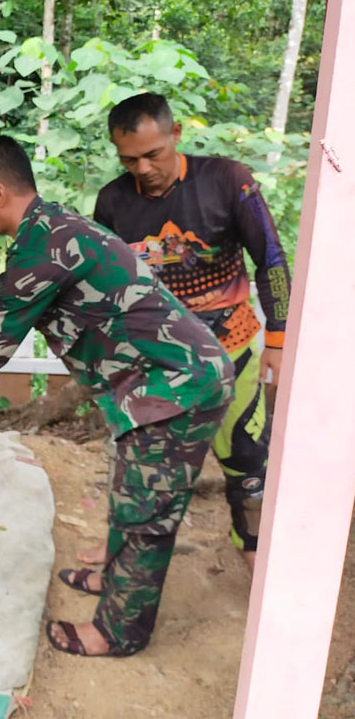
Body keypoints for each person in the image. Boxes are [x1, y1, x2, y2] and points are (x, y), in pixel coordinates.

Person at [0, 136, 235, 657]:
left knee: (147, 513)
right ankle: (115, 581)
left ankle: (117, 633)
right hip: (156, 383)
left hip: (177, 386)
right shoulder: (50, 229)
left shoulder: (46, 247)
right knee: (133, 490)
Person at [92, 92, 291, 572]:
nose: (142, 168)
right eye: (129, 159)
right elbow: (103, 285)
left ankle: (253, 551)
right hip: (158, 358)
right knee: (142, 461)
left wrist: (279, 342)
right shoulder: (112, 202)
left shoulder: (228, 180)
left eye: (152, 154)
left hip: (233, 348)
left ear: (176, 134)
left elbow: (272, 260)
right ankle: (123, 547)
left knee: (247, 462)